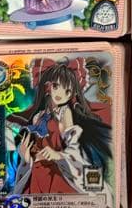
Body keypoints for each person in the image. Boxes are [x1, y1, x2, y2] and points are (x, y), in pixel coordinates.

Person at [11, 58, 111, 195]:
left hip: (57, 173)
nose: (60, 94)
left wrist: (57, 154)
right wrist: (26, 156)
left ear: (72, 94)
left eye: (67, 91)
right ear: (48, 87)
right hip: (37, 173)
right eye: (56, 86)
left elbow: (74, 147)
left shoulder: (65, 112)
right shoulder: (38, 116)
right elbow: (34, 149)